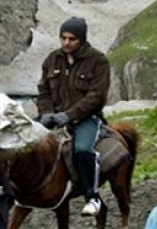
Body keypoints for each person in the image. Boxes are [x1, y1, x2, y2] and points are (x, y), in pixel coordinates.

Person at [37, 17, 109, 216]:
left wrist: (69, 115)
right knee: (18, 140)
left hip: (85, 118)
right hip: (52, 116)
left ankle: (92, 196)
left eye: (72, 39)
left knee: (82, 150)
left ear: (82, 39)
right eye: (63, 38)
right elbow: (43, 90)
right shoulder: (52, 59)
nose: (66, 43)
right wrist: (46, 113)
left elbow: (97, 96)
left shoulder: (98, 60)